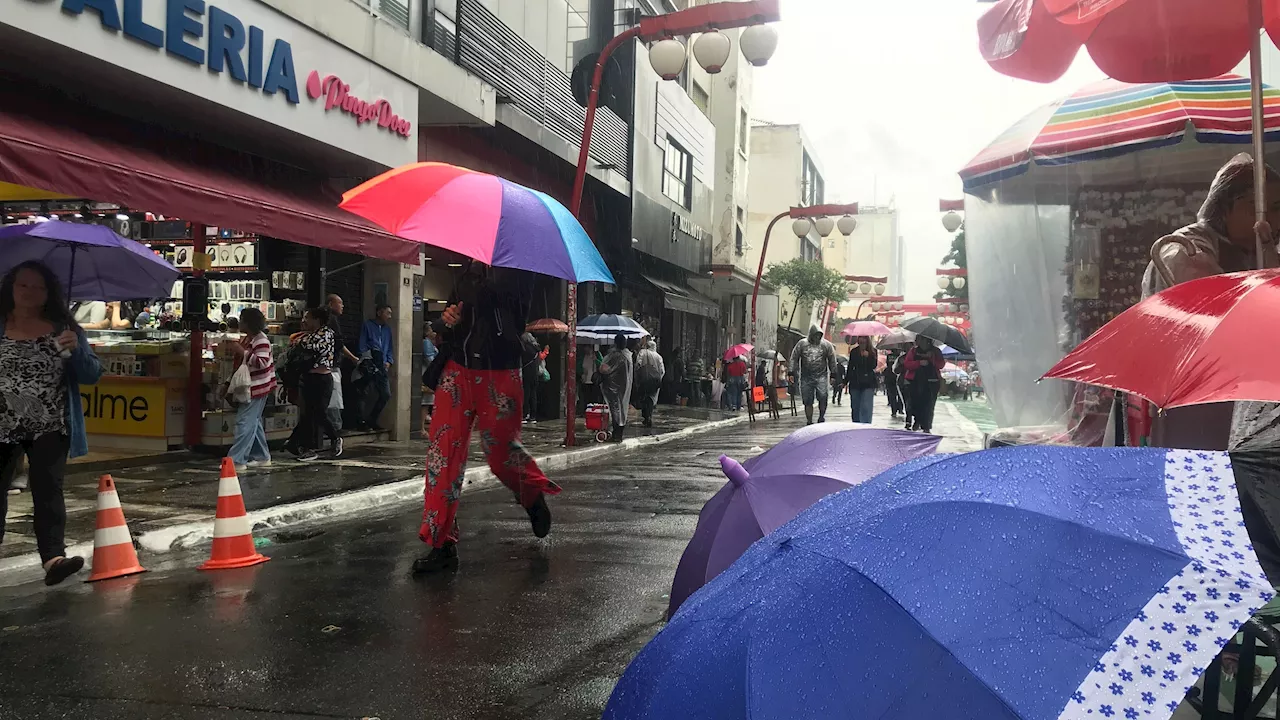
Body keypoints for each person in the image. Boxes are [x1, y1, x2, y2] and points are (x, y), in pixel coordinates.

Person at [415, 261, 559, 574]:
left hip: (500, 371)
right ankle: (441, 544)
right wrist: (450, 316)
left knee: (501, 454)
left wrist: (479, 290)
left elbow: (514, 315)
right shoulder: (468, 266)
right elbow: (454, 313)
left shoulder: (521, 269)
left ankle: (531, 494)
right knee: (443, 456)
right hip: (457, 370)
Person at [1141, 154, 1280, 450]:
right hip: (1193, 402)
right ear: (1233, 206)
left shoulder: (1257, 249)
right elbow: (1211, 301)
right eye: (1271, 208)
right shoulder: (1185, 248)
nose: (1275, 219)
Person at [0, 261, 102, 585]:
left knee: (48, 491)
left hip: (50, 423)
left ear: (49, 293)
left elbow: (91, 375)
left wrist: (77, 351)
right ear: (11, 288)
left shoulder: (63, 328)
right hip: (2, 423)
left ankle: (53, 558)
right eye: (23, 285)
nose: (29, 292)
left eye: (38, 287)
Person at [286, 307, 339, 461]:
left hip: (322, 380)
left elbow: (309, 346)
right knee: (307, 414)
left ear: (317, 319)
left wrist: (298, 341)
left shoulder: (326, 333)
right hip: (307, 379)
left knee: (318, 413)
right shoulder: (308, 335)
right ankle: (300, 445)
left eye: (307, 318)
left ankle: (334, 438)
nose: (304, 321)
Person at [226, 308, 276, 470]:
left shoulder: (260, 340)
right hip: (252, 386)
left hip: (256, 387)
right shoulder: (250, 339)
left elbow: (261, 362)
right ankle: (262, 456)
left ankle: (237, 460)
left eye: (242, 319)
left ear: (249, 322)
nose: (239, 322)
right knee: (253, 422)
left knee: (244, 422)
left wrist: (242, 352)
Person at [789, 326, 839, 425]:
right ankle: (809, 420)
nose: (817, 338)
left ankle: (821, 416)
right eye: (815, 335)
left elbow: (832, 359)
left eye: (818, 335)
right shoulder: (802, 344)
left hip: (822, 376)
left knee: (823, 396)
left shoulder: (826, 345)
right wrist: (791, 372)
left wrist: (833, 374)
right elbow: (794, 358)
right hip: (806, 377)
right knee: (807, 399)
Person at [358, 304, 394, 431]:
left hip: (382, 364)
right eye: (387, 313)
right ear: (379, 312)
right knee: (365, 393)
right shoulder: (368, 325)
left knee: (385, 394)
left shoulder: (387, 329)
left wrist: (389, 361)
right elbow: (362, 344)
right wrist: (366, 359)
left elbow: (389, 346)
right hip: (370, 362)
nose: (389, 316)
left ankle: (372, 418)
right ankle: (361, 421)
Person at [326, 294, 358, 435]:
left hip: (328, 365)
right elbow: (338, 343)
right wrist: (352, 357)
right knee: (334, 398)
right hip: (331, 366)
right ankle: (335, 428)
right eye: (340, 303)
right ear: (330, 304)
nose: (342, 306)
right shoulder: (331, 319)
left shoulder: (328, 320)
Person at [903, 335, 946, 434]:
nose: (917, 341)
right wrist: (919, 363)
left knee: (929, 404)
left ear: (926, 340)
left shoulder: (936, 351)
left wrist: (931, 358)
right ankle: (917, 420)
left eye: (919, 339)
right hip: (915, 381)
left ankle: (926, 426)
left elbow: (941, 365)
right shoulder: (913, 351)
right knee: (916, 402)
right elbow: (907, 364)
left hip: (932, 381)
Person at [598, 333, 634, 442]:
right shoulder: (628, 355)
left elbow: (604, 369)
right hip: (624, 386)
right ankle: (619, 433)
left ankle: (616, 434)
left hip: (612, 387)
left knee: (614, 409)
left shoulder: (613, 356)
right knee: (622, 409)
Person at [845, 336, 878, 424]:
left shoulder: (873, 351)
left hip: (868, 382)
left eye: (864, 339)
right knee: (855, 406)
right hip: (855, 382)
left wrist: (869, 357)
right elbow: (850, 367)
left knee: (866, 406)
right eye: (860, 339)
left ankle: (865, 425)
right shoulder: (854, 352)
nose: (862, 341)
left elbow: (873, 366)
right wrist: (845, 381)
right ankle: (856, 424)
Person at [635, 339, 665, 427]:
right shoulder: (658, 357)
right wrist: (658, 379)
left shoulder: (642, 353)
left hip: (643, 380)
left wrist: (637, 378)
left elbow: (637, 365)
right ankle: (649, 416)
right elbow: (662, 370)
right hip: (654, 381)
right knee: (651, 398)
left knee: (644, 397)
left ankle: (645, 416)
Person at [520, 331, 546, 424]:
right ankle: (533, 416)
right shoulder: (536, 348)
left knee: (526, 394)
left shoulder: (525, 348)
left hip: (527, 373)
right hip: (535, 373)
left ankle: (524, 414)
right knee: (533, 394)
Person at [421, 324, 439, 435]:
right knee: (426, 402)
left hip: (428, 373)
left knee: (427, 402)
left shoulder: (430, 343)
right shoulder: (426, 343)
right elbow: (430, 359)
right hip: (427, 374)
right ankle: (422, 428)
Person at [883, 350, 904, 419]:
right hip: (897, 376)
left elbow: (888, 364)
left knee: (892, 395)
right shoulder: (901, 357)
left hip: (890, 376)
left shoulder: (889, 356)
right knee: (900, 394)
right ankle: (900, 409)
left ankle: (894, 410)